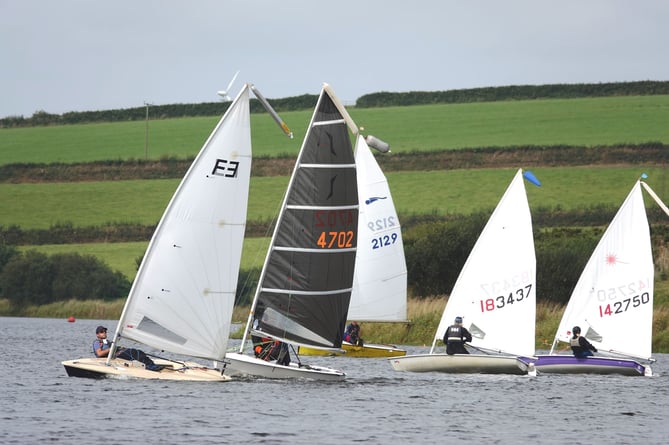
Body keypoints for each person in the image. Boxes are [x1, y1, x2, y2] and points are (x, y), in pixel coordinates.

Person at [92, 326, 164, 371]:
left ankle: (152, 365)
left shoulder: (106, 341)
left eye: (105, 332)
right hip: (113, 357)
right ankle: (150, 367)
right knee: (133, 353)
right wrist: (110, 349)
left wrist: (119, 347)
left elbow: (113, 348)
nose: (104, 333)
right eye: (101, 332)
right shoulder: (97, 342)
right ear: (97, 334)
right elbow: (99, 353)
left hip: (118, 353)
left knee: (138, 352)